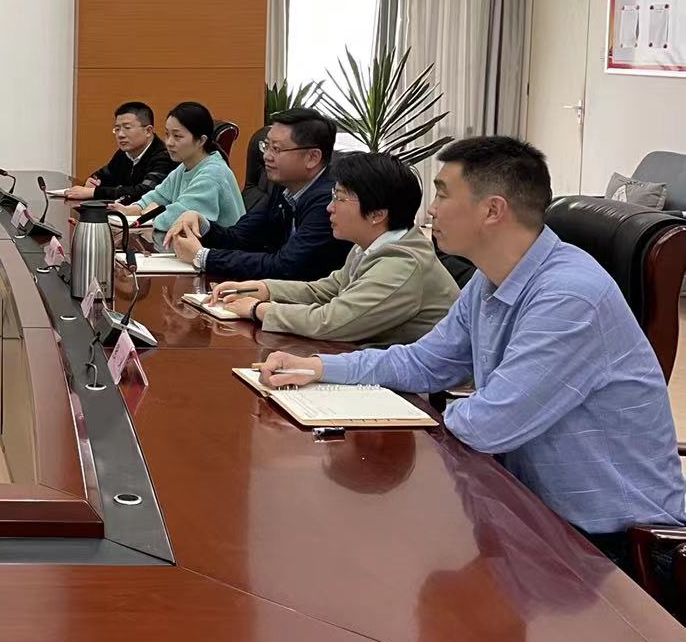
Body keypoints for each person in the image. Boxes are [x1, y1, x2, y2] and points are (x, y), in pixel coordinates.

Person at [261, 136, 686, 581]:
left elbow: (490, 423)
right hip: (527, 514)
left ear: (492, 210)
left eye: (443, 195)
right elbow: (425, 362)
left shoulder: (570, 296)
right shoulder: (490, 280)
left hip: (612, 552)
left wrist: (419, 420)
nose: (430, 211)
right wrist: (321, 368)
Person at [209, 151, 458, 345]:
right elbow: (326, 290)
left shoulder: (402, 264)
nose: (329, 207)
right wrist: (262, 289)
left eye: (339, 198)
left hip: (421, 389)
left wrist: (258, 309)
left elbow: (332, 322)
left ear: (377, 214)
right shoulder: (370, 246)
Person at [164, 106, 348, 280]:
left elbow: (285, 266)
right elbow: (239, 238)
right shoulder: (283, 187)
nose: (266, 156)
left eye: (276, 149)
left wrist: (203, 257)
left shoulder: (329, 200)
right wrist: (201, 224)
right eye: (266, 146)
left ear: (312, 157)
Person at [109, 101, 243, 235]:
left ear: (201, 140)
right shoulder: (185, 166)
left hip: (223, 247)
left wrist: (152, 214)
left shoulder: (212, 173)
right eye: (167, 134)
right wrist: (130, 210)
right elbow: (159, 195)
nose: (169, 143)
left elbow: (181, 218)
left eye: (177, 136)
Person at [64, 101, 175, 203]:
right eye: (117, 129)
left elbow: (146, 192)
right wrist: (92, 182)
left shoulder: (164, 156)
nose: (120, 135)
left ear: (148, 131)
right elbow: (102, 175)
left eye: (127, 128)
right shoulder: (124, 153)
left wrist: (94, 192)